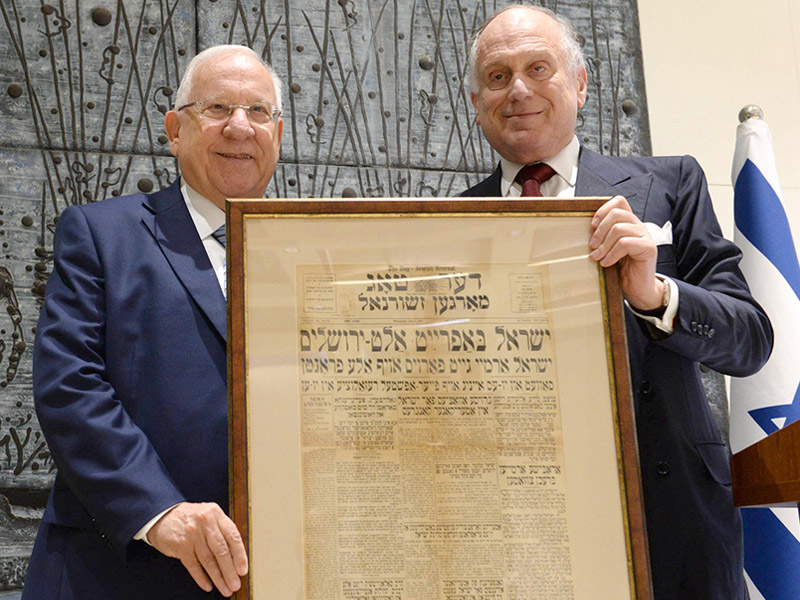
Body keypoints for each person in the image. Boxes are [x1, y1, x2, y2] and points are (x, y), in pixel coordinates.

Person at [462, 6, 772, 599]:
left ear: (579, 84)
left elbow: (752, 340)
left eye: (537, 68)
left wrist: (656, 297)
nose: (518, 89)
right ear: (478, 102)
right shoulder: (447, 221)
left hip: (669, 515)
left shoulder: (670, 183)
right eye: (498, 77)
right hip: (516, 525)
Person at [22, 45, 283, 599]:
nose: (240, 126)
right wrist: (158, 510)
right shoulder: (100, 235)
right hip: (119, 569)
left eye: (259, 112)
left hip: (272, 573)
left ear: (277, 135)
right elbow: (70, 386)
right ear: (175, 130)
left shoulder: (308, 256)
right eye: (217, 108)